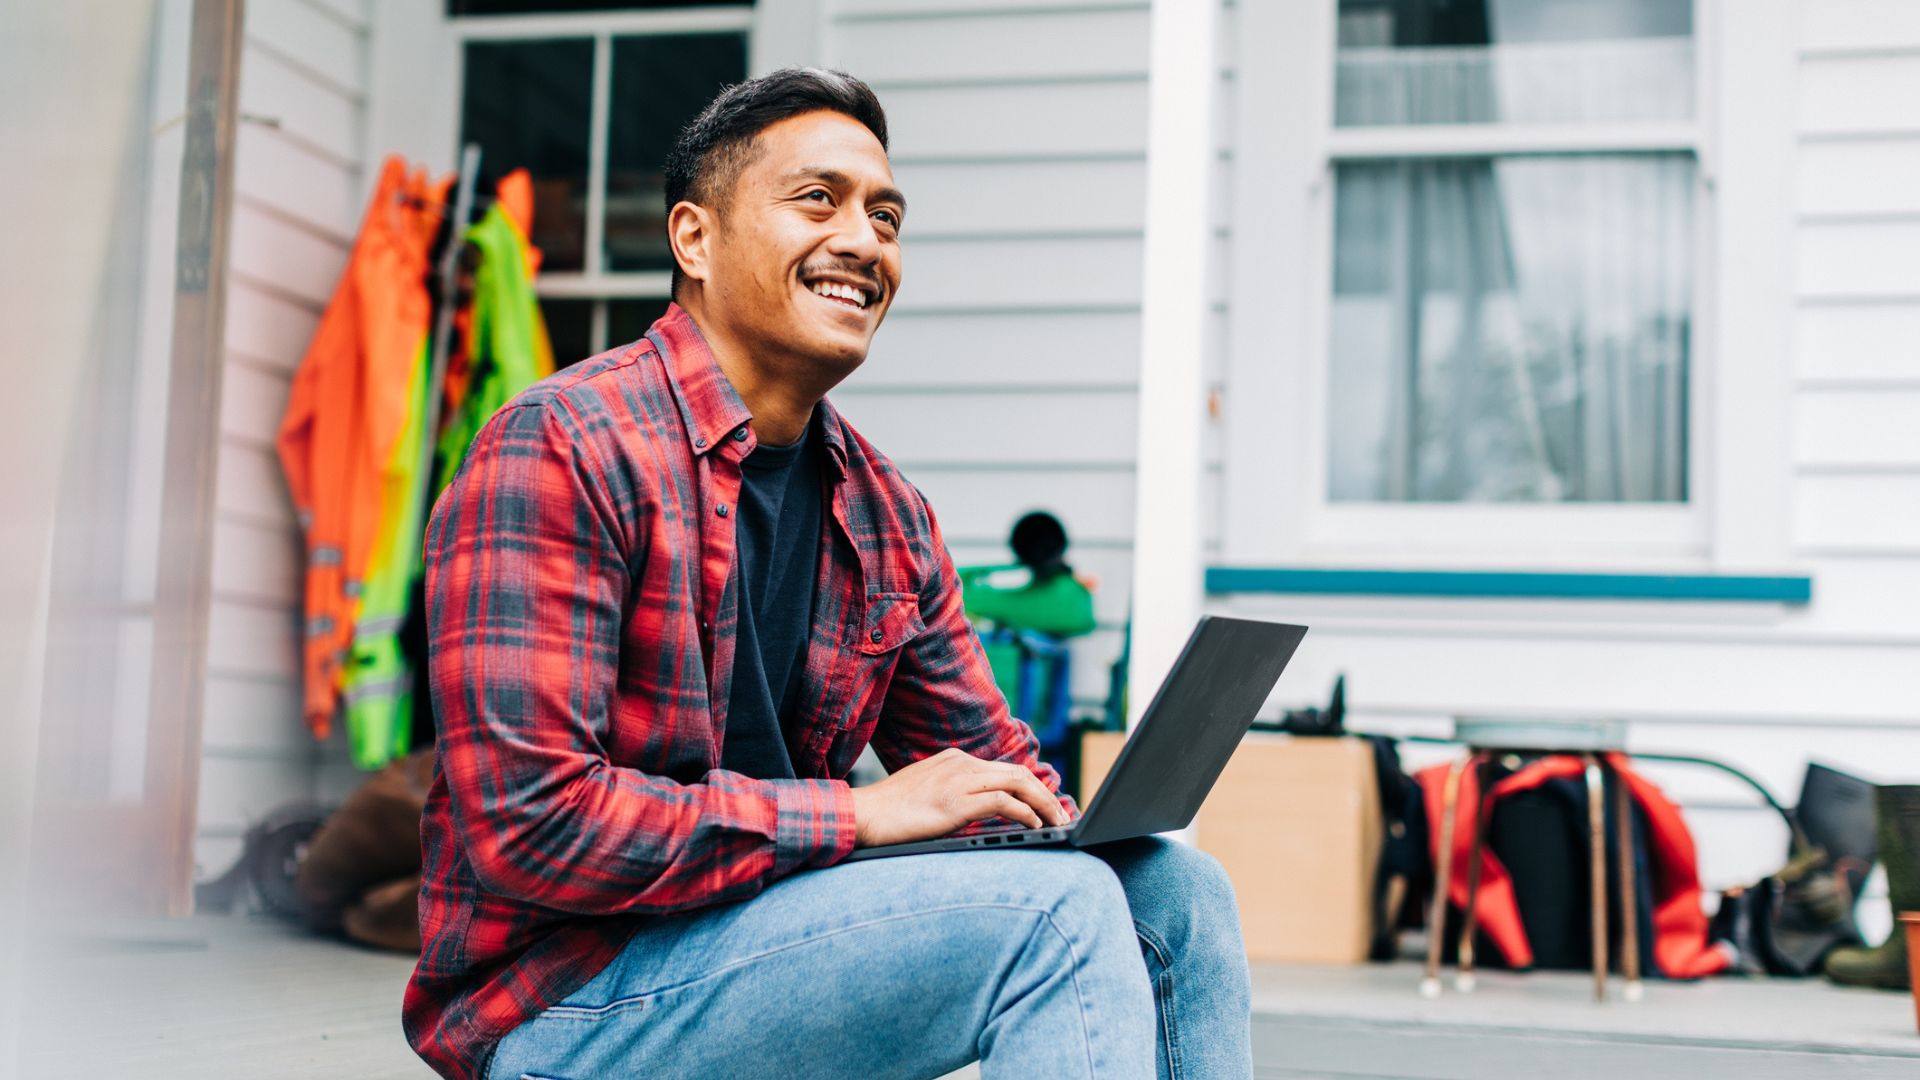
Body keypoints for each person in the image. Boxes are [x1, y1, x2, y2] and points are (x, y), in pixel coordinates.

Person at [404, 68, 1251, 1080]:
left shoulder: (883, 510)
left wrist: (1060, 822)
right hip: (564, 1001)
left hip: (764, 935)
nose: (863, 240)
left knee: (1174, 895)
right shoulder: (563, 448)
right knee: (1053, 920)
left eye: (886, 215)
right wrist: (855, 816)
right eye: (820, 199)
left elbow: (992, 774)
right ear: (695, 239)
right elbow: (531, 827)